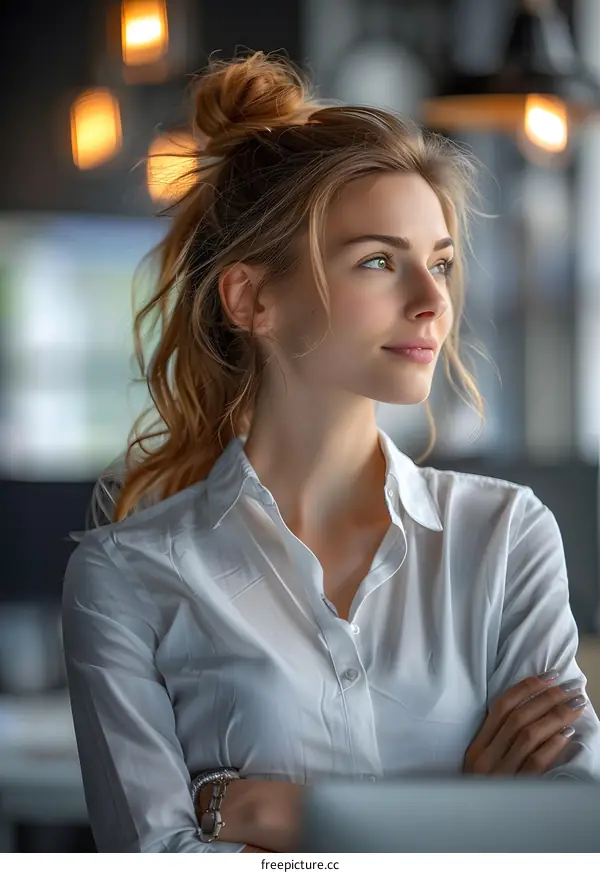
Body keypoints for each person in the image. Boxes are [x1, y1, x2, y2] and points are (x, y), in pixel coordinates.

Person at [62, 51, 600, 854]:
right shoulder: (126, 577)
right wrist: (465, 814)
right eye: (380, 260)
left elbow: (572, 836)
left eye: (441, 262)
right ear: (253, 298)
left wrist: (284, 816)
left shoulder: (508, 535)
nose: (432, 301)